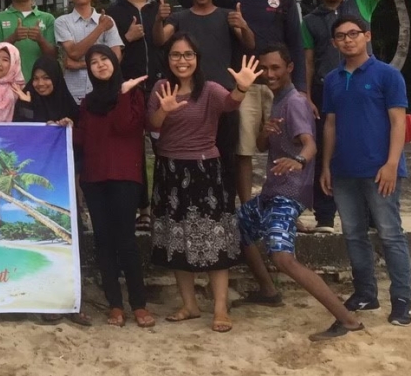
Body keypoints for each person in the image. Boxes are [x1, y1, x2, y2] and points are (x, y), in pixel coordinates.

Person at [302, 0, 411, 232]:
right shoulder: (310, 21)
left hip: (366, 86)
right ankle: (325, 217)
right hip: (327, 90)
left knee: (372, 145)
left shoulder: (360, 2)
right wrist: (306, 97)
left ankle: (374, 215)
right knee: (325, 151)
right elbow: (308, 62)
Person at [235, 46, 365, 342]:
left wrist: (299, 160)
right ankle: (268, 291)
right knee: (238, 227)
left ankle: (347, 319)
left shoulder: (294, 102)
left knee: (283, 258)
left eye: (275, 68)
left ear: (290, 68)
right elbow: (262, 146)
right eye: (264, 68)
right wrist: (265, 132)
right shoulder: (278, 100)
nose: (269, 74)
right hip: (273, 192)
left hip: (288, 192)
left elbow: (310, 144)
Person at [147, 34, 261, 333]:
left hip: (204, 171)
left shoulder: (209, 89)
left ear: (197, 59)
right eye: (175, 55)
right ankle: (190, 305)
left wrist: (242, 87)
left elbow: (230, 104)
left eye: (188, 55)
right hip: (170, 170)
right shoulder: (161, 88)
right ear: (167, 59)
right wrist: (165, 109)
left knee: (214, 239)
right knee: (176, 238)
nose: (182, 60)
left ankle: (220, 309)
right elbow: (152, 124)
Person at [321, 17, 411, 327]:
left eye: (354, 34)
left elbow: (398, 122)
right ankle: (365, 292)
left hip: (380, 170)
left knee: (390, 234)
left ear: (367, 36)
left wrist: (391, 164)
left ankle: (401, 301)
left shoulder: (388, 75)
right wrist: (326, 165)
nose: (348, 40)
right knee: (353, 233)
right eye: (341, 36)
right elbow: (330, 124)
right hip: (344, 170)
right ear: (333, 42)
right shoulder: (332, 80)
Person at [206, 0, 302, 206]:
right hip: (245, 84)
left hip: (279, 86)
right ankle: (248, 207)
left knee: (285, 147)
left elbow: (296, 44)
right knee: (244, 150)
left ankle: (285, 205)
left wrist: (301, 89)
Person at [154, 0, 254, 208]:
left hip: (223, 96)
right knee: (189, 156)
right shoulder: (179, 17)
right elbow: (160, 39)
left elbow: (250, 44)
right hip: (188, 98)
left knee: (226, 155)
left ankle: (227, 207)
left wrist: (243, 25)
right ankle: (192, 206)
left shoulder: (227, 16)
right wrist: (158, 19)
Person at [74, 46, 151, 328]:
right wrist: (64, 126)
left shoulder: (133, 94)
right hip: (94, 178)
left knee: (126, 240)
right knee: (103, 241)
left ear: (114, 61)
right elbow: (82, 139)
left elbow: (124, 126)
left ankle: (139, 304)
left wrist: (124, 94)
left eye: (104, 59)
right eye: (93, 62)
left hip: (124, 176)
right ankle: (115, 304)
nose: (100, 65)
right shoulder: (88, 103)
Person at [54, 0, 123, 103]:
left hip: (105, 90)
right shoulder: (62, 22)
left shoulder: (108, 20)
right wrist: (100, 28)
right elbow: (74, 52)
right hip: (73, 93)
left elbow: (116, 57)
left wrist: (79, 65)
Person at [15, 57, 80, 126]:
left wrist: (68, 125)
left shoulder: (67, 104)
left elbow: (78, 129)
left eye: (46, 78)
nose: (40, 83)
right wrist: (26, 105)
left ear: (55, 78)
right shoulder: (26, 98)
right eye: (36, 78)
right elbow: (20, 128)